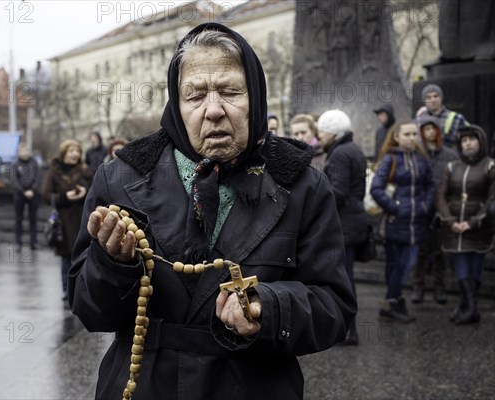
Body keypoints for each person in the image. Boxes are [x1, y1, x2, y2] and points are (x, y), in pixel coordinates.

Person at [68, 23, 356, 400]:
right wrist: (113, 265)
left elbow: (334, 307)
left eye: (231, 91)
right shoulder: (121, 177)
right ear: (176, 102)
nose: (214, 110)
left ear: (255, 96)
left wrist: (268, 308)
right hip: (145, 386)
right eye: (195, 95)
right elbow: (90, 310)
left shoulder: (302, 184)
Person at [371, 121, 434, 323]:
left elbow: (431, 185)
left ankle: (391, 302)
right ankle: (394, 303)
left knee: (407, 264)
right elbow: (376, 188)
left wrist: (425, 206)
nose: (412, 138)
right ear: (397, 136)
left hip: (416, 222)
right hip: (395, 222)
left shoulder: (421, 159)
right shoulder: (390, 159)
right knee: (394, 265)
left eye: (415, 134)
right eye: (407, 134)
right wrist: (396, 207)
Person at [317, 109, 368, 346]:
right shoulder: (354, 149)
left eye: (322, 131)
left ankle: (349, 330)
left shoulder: (338, 154)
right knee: (348, 276)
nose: (320, 137)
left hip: (345, 223)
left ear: (333, 132)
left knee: (345, 279)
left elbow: (337, 191)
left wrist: (317, 207)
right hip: (356, 220)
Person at [436, 125, 494, 324]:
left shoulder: (490, 166)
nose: (468, 143)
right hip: (454, 228)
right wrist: (451, 220)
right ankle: (470, 308)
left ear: (481, 142)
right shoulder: (452, 167)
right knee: (461, 267)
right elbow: (441, 196)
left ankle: (466, 306)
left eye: (472, 139)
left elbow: (492, 199)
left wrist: (474, 222)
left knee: (475, 270)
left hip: (478, 229)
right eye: (464, 140)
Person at [411, 116, 458, 304]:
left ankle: (440, 287)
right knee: (419, 251)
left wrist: (446, 208)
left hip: (441, 209)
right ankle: (418, 287)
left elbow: (454, 184)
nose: (430, 132)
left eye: (433, 129)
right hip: (421, 208)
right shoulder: (416, 154)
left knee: (440, 251)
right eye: (426, 129)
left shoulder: (450, 155)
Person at [42, 139, 93, 301]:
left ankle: (84, 290)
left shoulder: (86, 170)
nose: (75, 154)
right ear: (64, 153)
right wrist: (65, 197)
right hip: (64, 221)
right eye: (71, 151)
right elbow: (46, 195)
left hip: (83, 219)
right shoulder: (54, 172)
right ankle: (67, 289)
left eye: (77, 151)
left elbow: (96, 190)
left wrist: (85, 192)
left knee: (85, 256)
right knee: (66, 258)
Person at [416, 84, 468, 149]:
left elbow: (467, 140)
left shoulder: (456, 118)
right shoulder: (419, 119)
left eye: (436, 96)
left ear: (441, 98)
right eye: (428, 97)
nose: (433, 100)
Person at [12, 143, 41, 250]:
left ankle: (34, 242)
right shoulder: (15, 164)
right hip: (20, 194)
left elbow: (38, 178)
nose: (25, 153)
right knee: (18, 219)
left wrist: (32, 190)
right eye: (22, 151)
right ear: (19, 152)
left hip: (33, 194)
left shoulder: (34, 163)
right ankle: (18, 243)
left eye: (26, 151)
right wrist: (23, 191)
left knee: (33, 219)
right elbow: (14, 180)